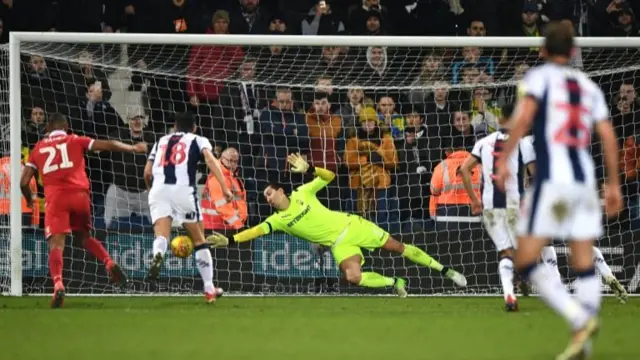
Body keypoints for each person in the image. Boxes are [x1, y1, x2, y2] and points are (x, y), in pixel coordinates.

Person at [494, 22, 623, 359]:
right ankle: (585, 341)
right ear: (573, 51)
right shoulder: (589, 87)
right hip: (585, 180)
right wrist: (613, 184)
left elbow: (523, 120)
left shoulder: (539, 79)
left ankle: (578, 317)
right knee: (583, 261)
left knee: (524, 258)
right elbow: (608, 136)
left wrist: (503, 162)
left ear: (543, 51)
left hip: (552, 180)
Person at [207, 153, 467, 296]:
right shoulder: (277, 221)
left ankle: (447, 271)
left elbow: (330, 176)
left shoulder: (302, 193)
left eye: (269, 193)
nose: (267, 198)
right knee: (353, 278)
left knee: (399, 247)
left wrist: (310, 168)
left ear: (281, 191)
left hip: (352, 226)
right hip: (339, 244)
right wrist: (230, 240)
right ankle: (395, 282)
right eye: (265, 197)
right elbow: (255, 231)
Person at [19, 113, 148, 308]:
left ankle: (58, 284)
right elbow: (106, 144)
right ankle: (108, 262)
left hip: (56, 199)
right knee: (84, 237)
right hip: (80, 196)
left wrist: (30, 199)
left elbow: (23, 182)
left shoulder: (39, 147)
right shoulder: (75, 139)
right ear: (67, 126)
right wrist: (132, 147)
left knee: (56, 245)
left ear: (47, 129)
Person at [144, 112, 233, 304]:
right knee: (200, 240)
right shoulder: (198, 139)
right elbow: (210, 160)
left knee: (161, 235)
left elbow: (147, 172)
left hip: (158, 190)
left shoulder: (161, 141)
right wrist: (225, 188)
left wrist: (152, 193)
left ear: (174, 127)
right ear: (195, 127)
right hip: (183, 191)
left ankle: (158, 254)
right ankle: (209, 288)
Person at [459, 104, 535, 311]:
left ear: (500, 121)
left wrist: (474, 200)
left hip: (489, 206)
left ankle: (510, 295)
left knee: (505, 250)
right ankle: (520, 279)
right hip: (514, 205)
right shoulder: (523, 144)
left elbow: (464, 170)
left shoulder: (483, 143)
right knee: (520, 251)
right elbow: (535, 174)